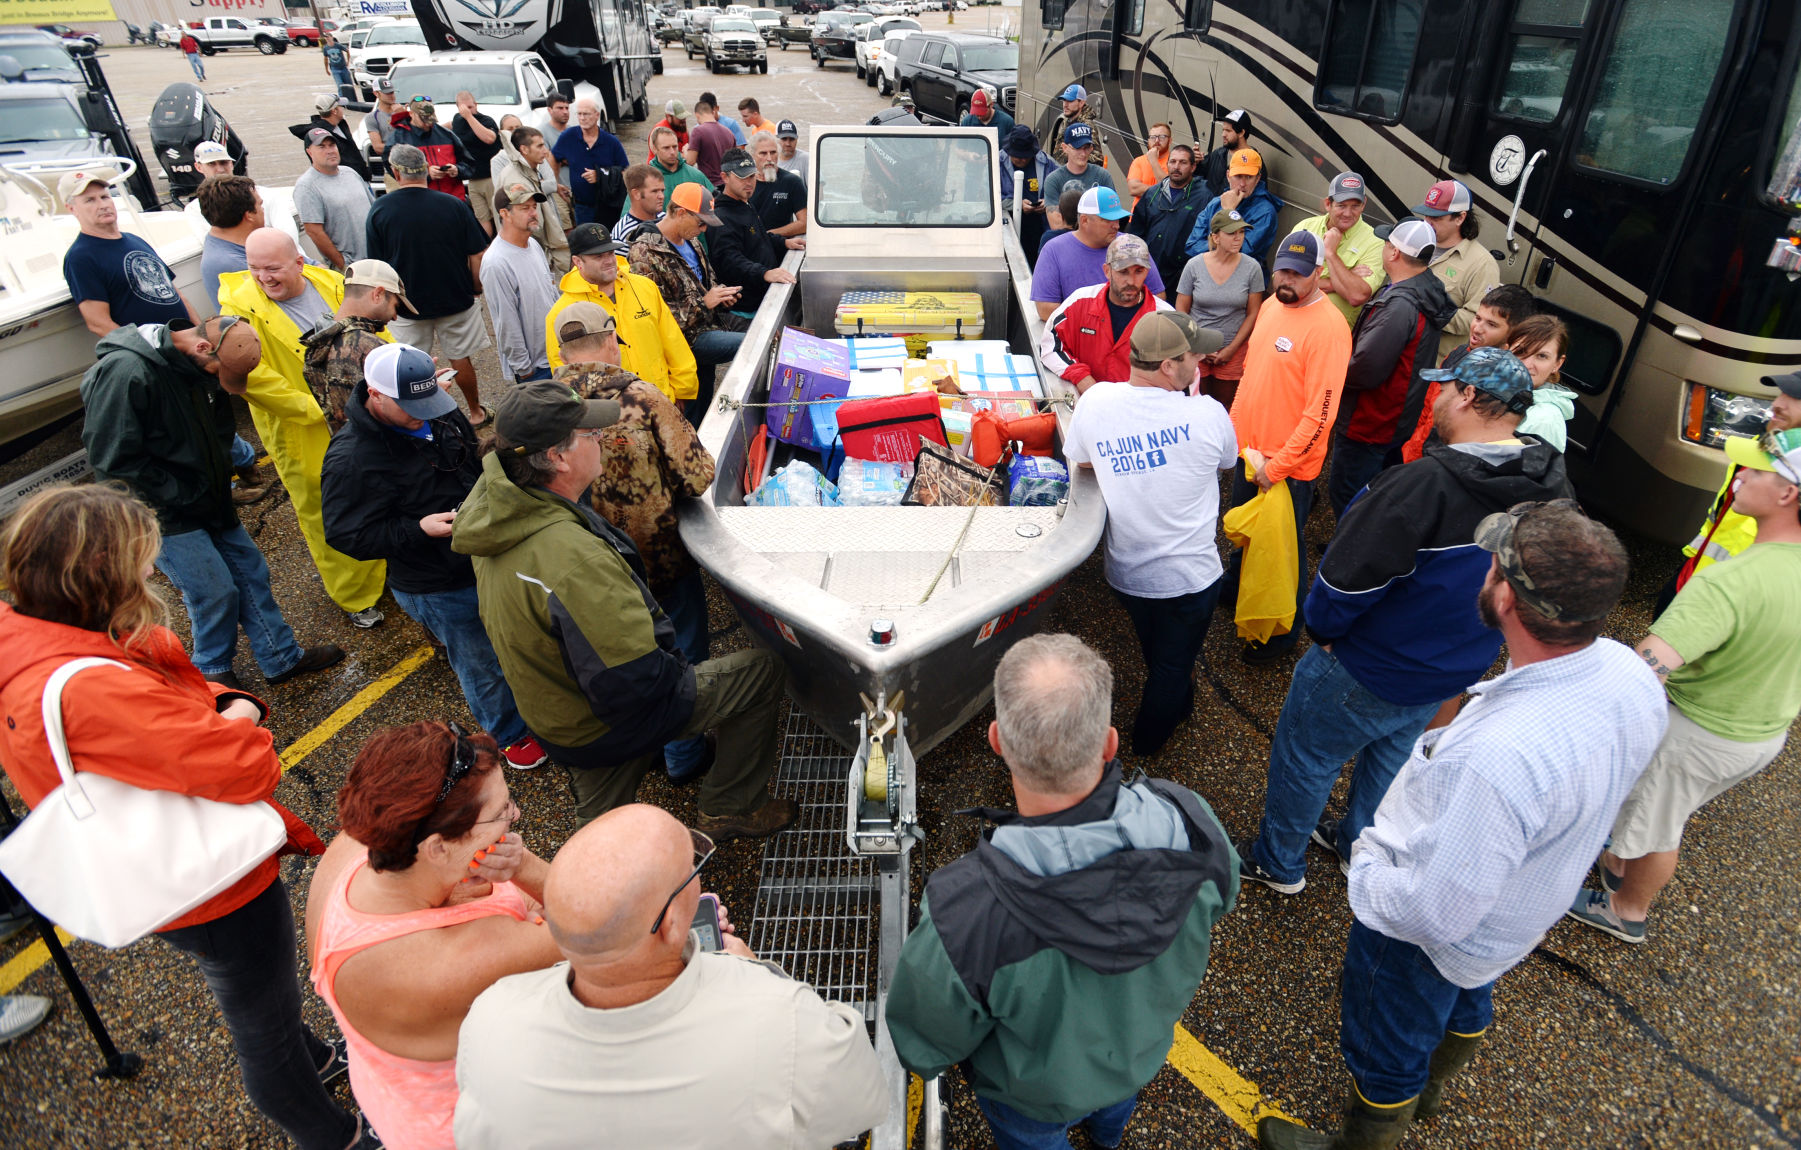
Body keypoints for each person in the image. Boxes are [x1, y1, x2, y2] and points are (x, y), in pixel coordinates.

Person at [1257, 503, 1664, 1150]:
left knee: (1385, 1038)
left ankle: (1370, 1133)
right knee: (1468, 994)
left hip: (1426, 933)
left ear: (1506, 597)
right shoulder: (1624, 672)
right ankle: (1432, 1089)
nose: (1483, 571)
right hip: (1520, 910)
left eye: (1493, 564)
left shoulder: (1497, 759)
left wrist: (1367, 873)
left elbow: (1431, 915)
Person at [0, 485, 376, 1150]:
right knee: (260, 1020)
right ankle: (333, 1136)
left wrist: (220, 700)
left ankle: (314, 1059)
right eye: (141, 559)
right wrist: (242, 714)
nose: (152, 570)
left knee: (261, 997)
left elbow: (159, 711)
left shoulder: (32, 641)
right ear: (97, 574)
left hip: (151, 867)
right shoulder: (90, 684)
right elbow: (242, 767)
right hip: (211, 889)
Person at [1238, 348, 1571, 896]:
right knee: (1391, 759)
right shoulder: (1552, 480)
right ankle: (1358, 848)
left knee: (1308, 757)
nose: (1434, 397)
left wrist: (1321, 635)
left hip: (1368, 666)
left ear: (1468, 396)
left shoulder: (1418, 485)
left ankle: (1278, 863)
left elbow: (1343, 586)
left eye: (1444, 388)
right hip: (1453, 668)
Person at [886, 634, 1237, 1150]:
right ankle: (1107, 1136)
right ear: (1110, 743)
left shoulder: (964, 911)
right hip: (1135, 1058)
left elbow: (924, 1044)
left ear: (997, 740)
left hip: (1032, 1097)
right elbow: (1221, 900)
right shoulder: (1189, 819)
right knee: (1115, 1106)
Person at [450, 380, 797, 837]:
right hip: (604, 723)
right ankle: (730, 806)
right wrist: (682, 697)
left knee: (595, 835)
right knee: (761, 672)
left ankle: (588, 880)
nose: (603, 441)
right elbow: (636, 679)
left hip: (556, 714)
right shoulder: (573, 559)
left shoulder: (498, 511)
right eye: (590, 435)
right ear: (557, 457)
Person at [454, 804, 888, 1148]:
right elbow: (862, 1101)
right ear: (669, 927)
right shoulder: (781, 1018)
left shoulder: (492, 1019)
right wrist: (750, 967)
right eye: (692, 872)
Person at [1565, 428, 1801, 946]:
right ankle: (1615, 861)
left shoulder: (1731, 581)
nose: (1741, 476)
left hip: (1700, 731)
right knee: (1659, 811)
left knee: (1659, 824)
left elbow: (1647, 665)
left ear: (1788, 493)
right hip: (1761, 731)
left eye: (1757, 471)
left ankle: (1626, 909)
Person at [305, 722, 562, 1150]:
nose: (514, 815)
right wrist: (524, 868)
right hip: (471, 1127)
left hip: (396, 1096)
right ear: (437, 848)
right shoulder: (462, 959)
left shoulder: (361, 843)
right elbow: (595, 920)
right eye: (501, 811)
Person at [81, 315, 344, 688]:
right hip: (159, 510)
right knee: (212, 590)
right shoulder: (126, 373)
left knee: (251, 572)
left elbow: (221, 431)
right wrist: (180, 497)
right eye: (217, 374)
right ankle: (210, 671)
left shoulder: (200, 365)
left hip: (206, 496)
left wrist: (221, 475)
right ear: (203, 347)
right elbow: (113, 464)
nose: (218, 384)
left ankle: (280, 657)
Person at [321, 344, 548, 770]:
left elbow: (470, 455)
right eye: (412, 406)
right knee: (479, 661)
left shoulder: (435, 409)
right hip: (437, 583)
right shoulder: (350, 459)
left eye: (431, 401)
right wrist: (416, 530)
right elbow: (345, 534)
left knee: (516, 640)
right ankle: (510, 735)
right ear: (376, 395)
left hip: (485, 556)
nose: (424, 414)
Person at [554, 303, 719, 781]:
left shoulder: (542, 400)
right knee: (681, 653)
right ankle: (684, 757)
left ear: (564, 350)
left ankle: (638, 745)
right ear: (611, 340)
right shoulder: (643, 398)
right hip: (658, 558)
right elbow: (698, 475)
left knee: (614, 656)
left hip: (584, 559)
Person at [1064, 315, 1238, 753]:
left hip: (1128, 575)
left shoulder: (1097, 401)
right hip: (1191, 578)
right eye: (1193, 354)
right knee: (1171, 667)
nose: (1201, 360)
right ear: (1168, 366)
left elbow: (1082, 462)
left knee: (1159, 651)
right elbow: (1228, 462)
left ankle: (1180, 703)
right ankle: (1146, 748)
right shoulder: (1206, 412)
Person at [220, 229, 388, 627]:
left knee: (379, 486)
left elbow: (372, 330)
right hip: (303, 430)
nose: (263, 278)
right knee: (324, 508)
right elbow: (253, 377)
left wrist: (393, 374)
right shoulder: (238, 309)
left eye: (273, 267)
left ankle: (387, 564)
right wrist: (316, 406)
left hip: (359, 413)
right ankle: (355, 596)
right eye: (254, 268)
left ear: (299, 262)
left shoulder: (330, 283)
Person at [1220, 231, 1352, 664]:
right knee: (1245, 534)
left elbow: (1321, 415)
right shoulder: (1274, 306)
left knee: (1282, 557)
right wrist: (1233, 439)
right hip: (1250, 455)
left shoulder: (1330, 328)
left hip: (1286, 468)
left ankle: (1280, 635)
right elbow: (1252, 378)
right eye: (1283, 270)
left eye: (1299, 272)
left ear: (1319, 273)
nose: (1288, 279)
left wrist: (1277, 467)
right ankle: (1236, 590)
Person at [1326, 218, 1457, 516]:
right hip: (1396, 418)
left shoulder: (1400, 305)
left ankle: (1350, 551)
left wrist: (1329, 369)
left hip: (1371, 421)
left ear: (1394, 253)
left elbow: (1365, 369)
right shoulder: (1425, 289)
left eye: (1387, 243)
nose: (1384, 247)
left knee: (1349, 493)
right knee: (1376, 491)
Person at [366, 144, 493, 426]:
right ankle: (475, 412)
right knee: (461, 358)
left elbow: (377, 267)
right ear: (426, 170)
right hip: (455, 298)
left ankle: (419, 419)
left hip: (406, 306)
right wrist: (476, 287)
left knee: (411, 366)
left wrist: (387, 306)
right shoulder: (453, 204)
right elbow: (477, 254)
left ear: (396, 172)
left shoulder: (380, 210)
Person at [628, 182, 749, 421]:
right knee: (751, 344)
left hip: (708, 327)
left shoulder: (692, 241)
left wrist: (722, 295)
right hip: (685, 343)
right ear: (681, 212)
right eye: (700, 222)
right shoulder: (645, 253)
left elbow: (707, 282)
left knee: (702, 401)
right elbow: (653, 316)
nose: (703, 230)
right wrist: (705, 302)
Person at [545, 224, 697, 407]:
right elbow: (566, 377)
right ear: (578, 262)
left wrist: (682, 392)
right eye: (598, 256)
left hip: (663, 402)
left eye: (610, 253)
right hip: (613, 418)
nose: (609, 260)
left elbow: (674, 342)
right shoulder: (562, 313)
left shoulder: (645, 287)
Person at [1400, 282, 1535, 463]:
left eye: (1491, 324)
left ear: (1514, 334)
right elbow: (1428, 409)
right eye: (1478, 318)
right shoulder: (1458, 354)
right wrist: (1411, 452)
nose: (1477, 329)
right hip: (1416, 456)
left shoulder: (1505, 384)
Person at [62, 168, 197, 337]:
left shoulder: (135, 240)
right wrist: (153, 349)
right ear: (72, 209)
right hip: (156, 353)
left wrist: (199, 333)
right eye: (90, 200)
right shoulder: (80, 258)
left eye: (104, 197)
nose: (102, 205)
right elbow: (98, 323)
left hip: (191, 342)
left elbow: (176, 294)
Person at [1039, 234, 1178, 395]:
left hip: (1140, 411)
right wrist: (1081, 377)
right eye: (1123, 271)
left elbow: (1181, 373)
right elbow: (1050, 344)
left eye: (1138, 271)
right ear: (1107, 271)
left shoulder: (1165, 318)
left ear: (1147, 272)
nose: (1131, 281)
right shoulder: (1080, 301)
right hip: (1089, 405)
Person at [1174, 209, 1265, 409]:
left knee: (1228, 407)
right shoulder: (1194, 266)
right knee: (1194, 405)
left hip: (1233, 351)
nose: (1238, 238)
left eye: (1241, 233)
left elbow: (1253, 313)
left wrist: (1231, 350)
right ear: (1215, 237)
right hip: (1195, 350)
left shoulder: (1252, 268)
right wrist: (1196, 344)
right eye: (1231, 233)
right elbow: (1181, 309)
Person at [300, 258, 401, 434]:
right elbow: (398, 412)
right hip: (385, 450)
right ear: (377, 294)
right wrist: (428, 389)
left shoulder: (321, 341)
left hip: (350, 447)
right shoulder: (369, 347)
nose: (394, 317)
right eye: (395, 306)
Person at [1031, 187, 1163, 320]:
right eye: (1107, 220)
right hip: (1079, 337)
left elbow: (1159, 297)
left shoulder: (1133, 246)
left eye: (1117, 219)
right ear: (1084, 220)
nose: (1116, 226)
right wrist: (1097, 322)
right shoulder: (1053, 250)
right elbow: (1045, 309)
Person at [481, 182, 560, 386]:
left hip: (556, 355)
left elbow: (551, 294)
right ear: (504, 214)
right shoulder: (496, 263)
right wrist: (524, 369)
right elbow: (505, 321)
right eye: (524, 208)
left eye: (534, 207)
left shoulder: (533, 244)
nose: (533, 213)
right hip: (535, 369)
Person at [709, 147, 801, 316]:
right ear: (725, 177)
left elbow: (758, 237)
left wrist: (784, 242)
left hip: (764, 297)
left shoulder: (745, 203)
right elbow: (730, 261)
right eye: (742, 177)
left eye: (752, 176)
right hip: (744, 308)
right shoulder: (720, 217)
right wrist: (764, 273)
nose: (749, 182)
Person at [1415, 179, 1501, 357]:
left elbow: (1477, 320)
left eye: (1436, 218)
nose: (1428, 222)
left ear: (1460, 218)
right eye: (1426, 215)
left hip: (1433, 366)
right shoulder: (1416, 241)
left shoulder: (1483, 264)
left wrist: (1424, 310)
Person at [1294, 172, 1385, 326]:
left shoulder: (1375, 242)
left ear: (1364, 204)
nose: (1348, 214)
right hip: (1293, 318)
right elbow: (1282, 280)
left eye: (1355, 206)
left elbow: (1356, 295)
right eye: (1341, 206)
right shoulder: (1305, 227)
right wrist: (1343, 279)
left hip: (1332, 333)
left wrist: (1330, 253)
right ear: (1328, 204)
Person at [1126, 143, 1208, 302]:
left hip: (1181, 276)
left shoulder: (1204, 196)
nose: (1176, 167)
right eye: (1173, 162)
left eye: (1183, 162)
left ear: (1193, 167)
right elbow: (1136, 234)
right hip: (1149, 270)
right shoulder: (1152, 193)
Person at [1185, 148, 1283, 274]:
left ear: (1258, 179)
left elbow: (1235, 253)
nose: (1242, 184)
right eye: (1238, 176)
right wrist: (1215, 248)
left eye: (1249, 177)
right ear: (1228, 175)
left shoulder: (1266, 211)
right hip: (1207, 276)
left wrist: (1228, 212)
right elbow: (1191, 245)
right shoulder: (1215, 202)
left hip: (1242, 282)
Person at [492, 124, 571, 274]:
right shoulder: (516, 179)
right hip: (528, 256)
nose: (545, 151)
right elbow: (525, 225)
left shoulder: (527, 171)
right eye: (539, 146)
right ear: (524, 149)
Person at [294, 128, 375, 273]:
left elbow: (373, 209)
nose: (330, 150)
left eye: (332, 145)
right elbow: (314, 231)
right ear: (309, 152)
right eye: (322, 147)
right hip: (351, 267)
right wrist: (342, 264)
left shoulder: (350, 173)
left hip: (376, 258)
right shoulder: (307, 186)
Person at [553, 98, 629, 226]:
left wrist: (600, 175)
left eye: (586, 114)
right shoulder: (569, 136)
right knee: (587, 243)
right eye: (579, 114)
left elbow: (626, 172)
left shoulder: (611, 142)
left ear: (597, 115)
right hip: (582, 207)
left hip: (608, 208)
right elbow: (553, 157)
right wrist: (555, 183)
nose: (582, 118)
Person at [1510, 315, 1576, 452]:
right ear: (1506, 349)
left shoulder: (1545, 420)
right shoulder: (1488, 389)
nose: (1527, 364)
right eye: (1521, 351)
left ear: (1557, 364)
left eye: (1541, 356)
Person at [388, 98, 473, 201]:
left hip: (453, 199)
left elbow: (469, 165)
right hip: (419, 201)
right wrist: (426, 175)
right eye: (424, 120)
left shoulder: (447, 135)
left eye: (430, 119)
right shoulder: (399, 138)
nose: (428, 124)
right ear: (411, 114)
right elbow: (395, 172)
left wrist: (457, 170)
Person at [1041, 123, 1117, 232]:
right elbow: (1056, 224)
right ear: (1065, 148)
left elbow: (1112, 216)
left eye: (1087, 148)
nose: (1083, 153)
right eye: (1077, 148)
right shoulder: (1053, 180)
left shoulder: (1103, 176)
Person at [451, 90, 503, 238]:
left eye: (470, 107)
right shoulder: (457, 120)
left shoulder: (485, 120)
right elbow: (450, 127)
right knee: (482, 218)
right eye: (464, 108)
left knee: (500, 216)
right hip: (473, 178)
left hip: (490, 177)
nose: (468, 111)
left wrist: (469, 116)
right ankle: (486, 246)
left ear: (476, 105)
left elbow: (489, 138)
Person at [295, 92, 373, 186]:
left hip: (361, 179)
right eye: (340, 106)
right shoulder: (319, 135)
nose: (343, 109)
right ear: (334, 111)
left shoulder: (341, 124)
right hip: (343, 184)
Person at [1001, 125, 1055, 261]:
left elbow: (1062, 190)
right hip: (1009, 227)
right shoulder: (996, 163)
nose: (1023, 160)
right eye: (1018, 157)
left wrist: (1048, 201)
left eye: (1026, 156)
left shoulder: (1047, 163)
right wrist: (1016, 204)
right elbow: (987, 197)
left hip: (1040, 227)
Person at [748, 131, 807, 238]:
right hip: (751, 246)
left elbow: (804, 223)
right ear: (752, 156)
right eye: (763, 153)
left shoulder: (792, 182)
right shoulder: (744, 184)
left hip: (782, 246)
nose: (769, 158)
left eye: (773, 152)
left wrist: (769, 235)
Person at [647, 124, 713, 208]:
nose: (672, 152)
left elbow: (713, 205)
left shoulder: (695, 175)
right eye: (666, 148)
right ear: (655, 149)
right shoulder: (645, 179)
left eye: (674, 147)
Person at [685, 95, 739, 187]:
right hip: (728, 186)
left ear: (697, 115)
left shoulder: (698, 131)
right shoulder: (729, 132)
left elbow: (690, 162)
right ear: (712, 112)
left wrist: (686, 151)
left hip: (709, 185)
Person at [1046, 82, 1105, 166]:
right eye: (1064, 101)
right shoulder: (1067, 120)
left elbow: (1097, 159)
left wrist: (1074, 154)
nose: (1065, 105)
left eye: (1070, 101)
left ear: (1081, 103)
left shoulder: (1087, 126)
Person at [1198, 108, 1252, 199]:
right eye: (1223, 130)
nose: (1223, 134)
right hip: (1211, 210)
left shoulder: (1254, 161)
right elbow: (1198, 176)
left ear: (1241, 133)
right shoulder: (1218, 154)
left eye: (1228, 131)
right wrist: (1194, 161)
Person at [613, 162, 665, 243]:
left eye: (662, 190)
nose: (661, 196)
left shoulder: (665, 219)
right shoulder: (623, 235)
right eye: (655, 191)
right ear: (636, 194)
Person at [1124, 122, 1170, 210]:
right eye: (1153, 137)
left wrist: (1153, 161)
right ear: (1148, 140)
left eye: (1162, 137)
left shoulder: (1174, 162)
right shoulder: (1139, 161)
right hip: (1137, 218)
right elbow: (1133, 189)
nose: (1156, 141)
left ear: (1170, 140)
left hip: (1161, 219)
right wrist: (1159, 190)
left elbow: (1168, 190)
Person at [364, 79, 402, 187]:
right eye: (387, 93)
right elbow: (378, 147)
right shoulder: (373, 117)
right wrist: (402, 147)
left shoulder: (403, 112)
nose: (391, 95)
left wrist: (402, 115)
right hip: (392, 169)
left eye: (392, 92)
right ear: (376, 93)